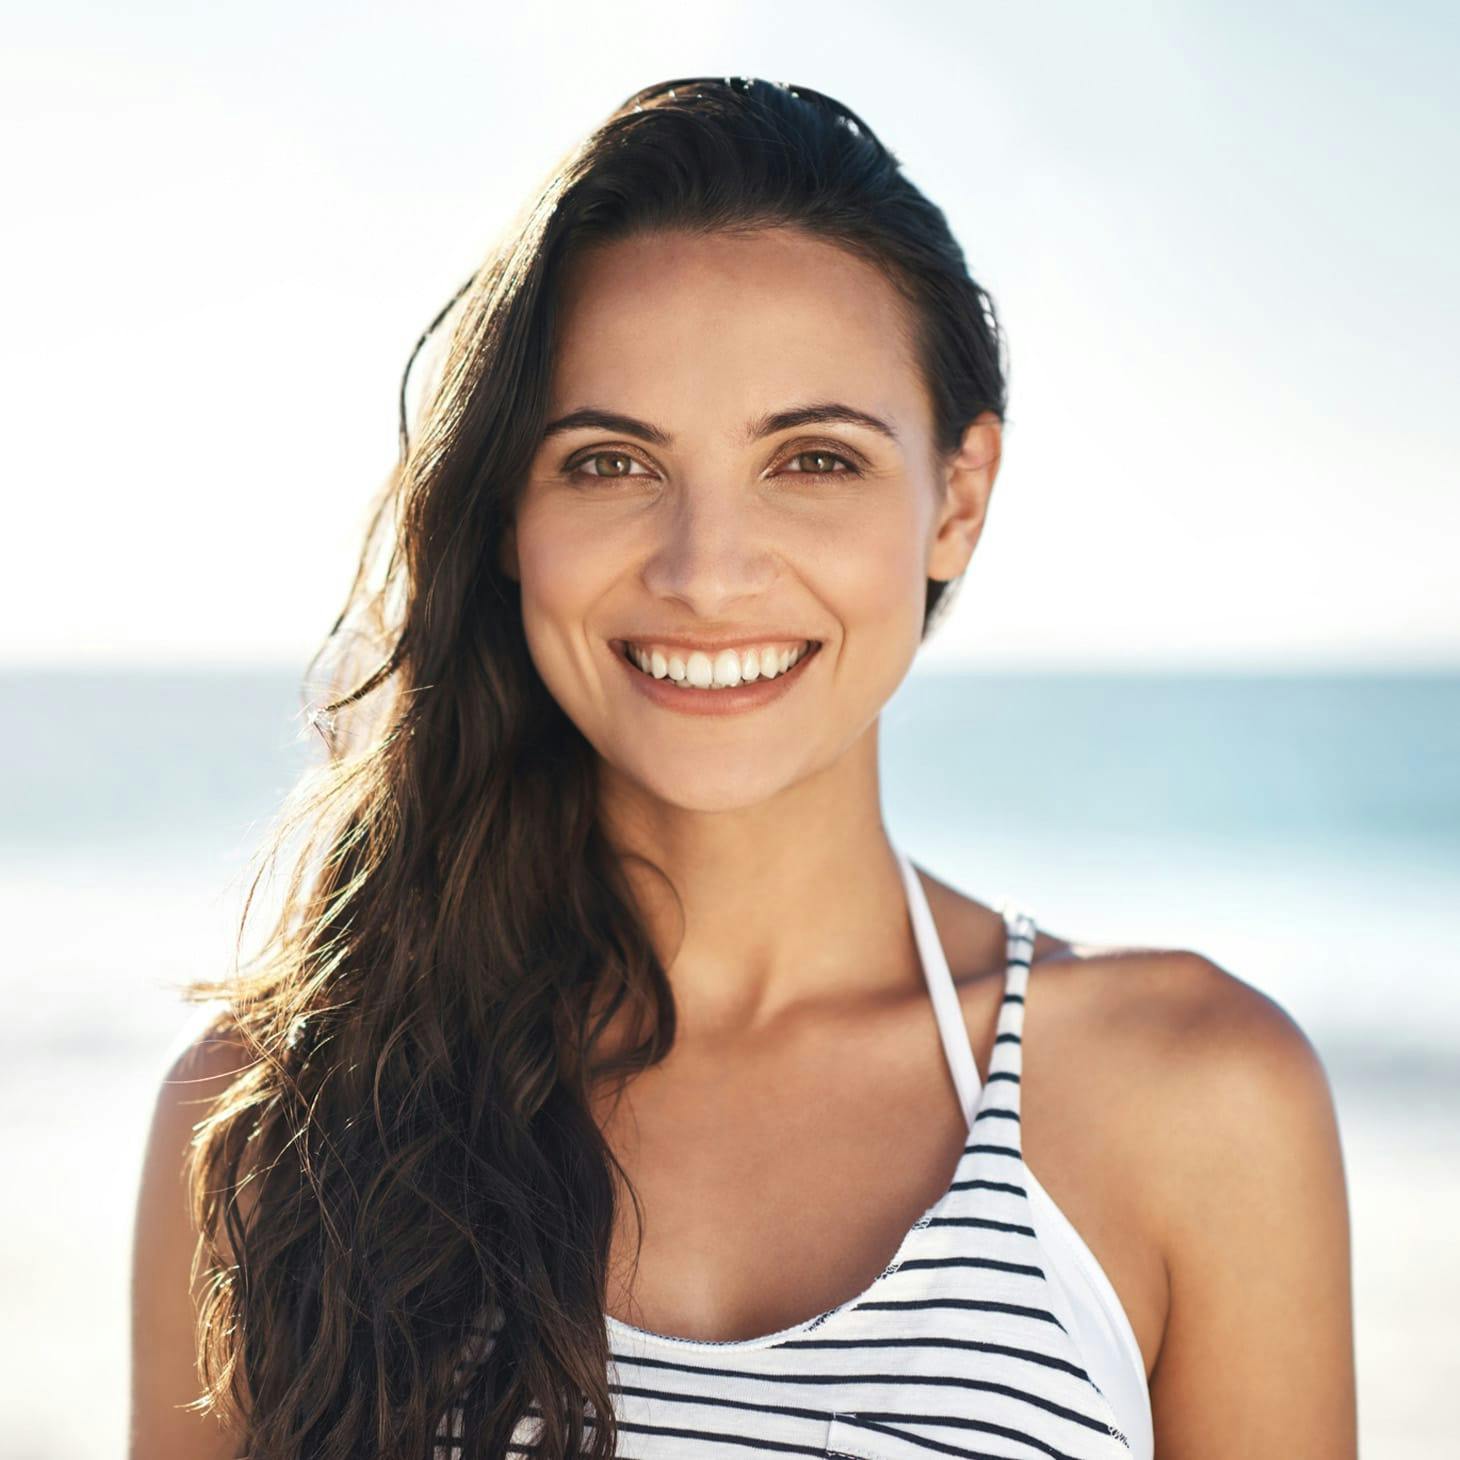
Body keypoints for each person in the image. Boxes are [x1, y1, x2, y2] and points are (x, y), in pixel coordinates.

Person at [129, 77, 1356, 1459]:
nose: (706, 575)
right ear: (511, 517)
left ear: (956, 498)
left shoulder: (1199, 1103)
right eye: (608, 464)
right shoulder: (273, 1121)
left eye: (813, 459)